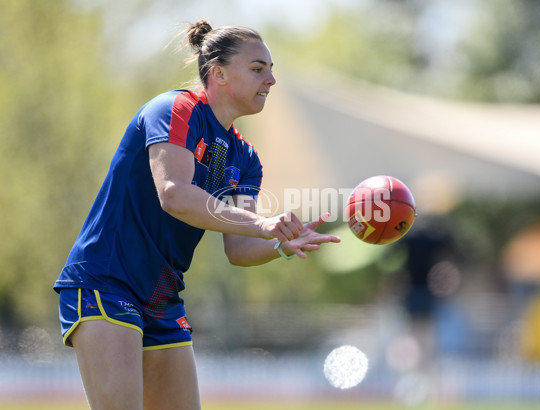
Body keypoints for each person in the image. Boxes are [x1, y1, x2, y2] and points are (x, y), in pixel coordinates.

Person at [54, 20, 340, 409]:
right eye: (258, 68)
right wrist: (263, 224)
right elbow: (174, 194)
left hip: (162, 297)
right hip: (107, 280)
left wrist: (282, 243)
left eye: (272, 69)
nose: (271, 80)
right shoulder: (175, 108)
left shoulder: (245, 157)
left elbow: (238, 248)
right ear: (218, 73)